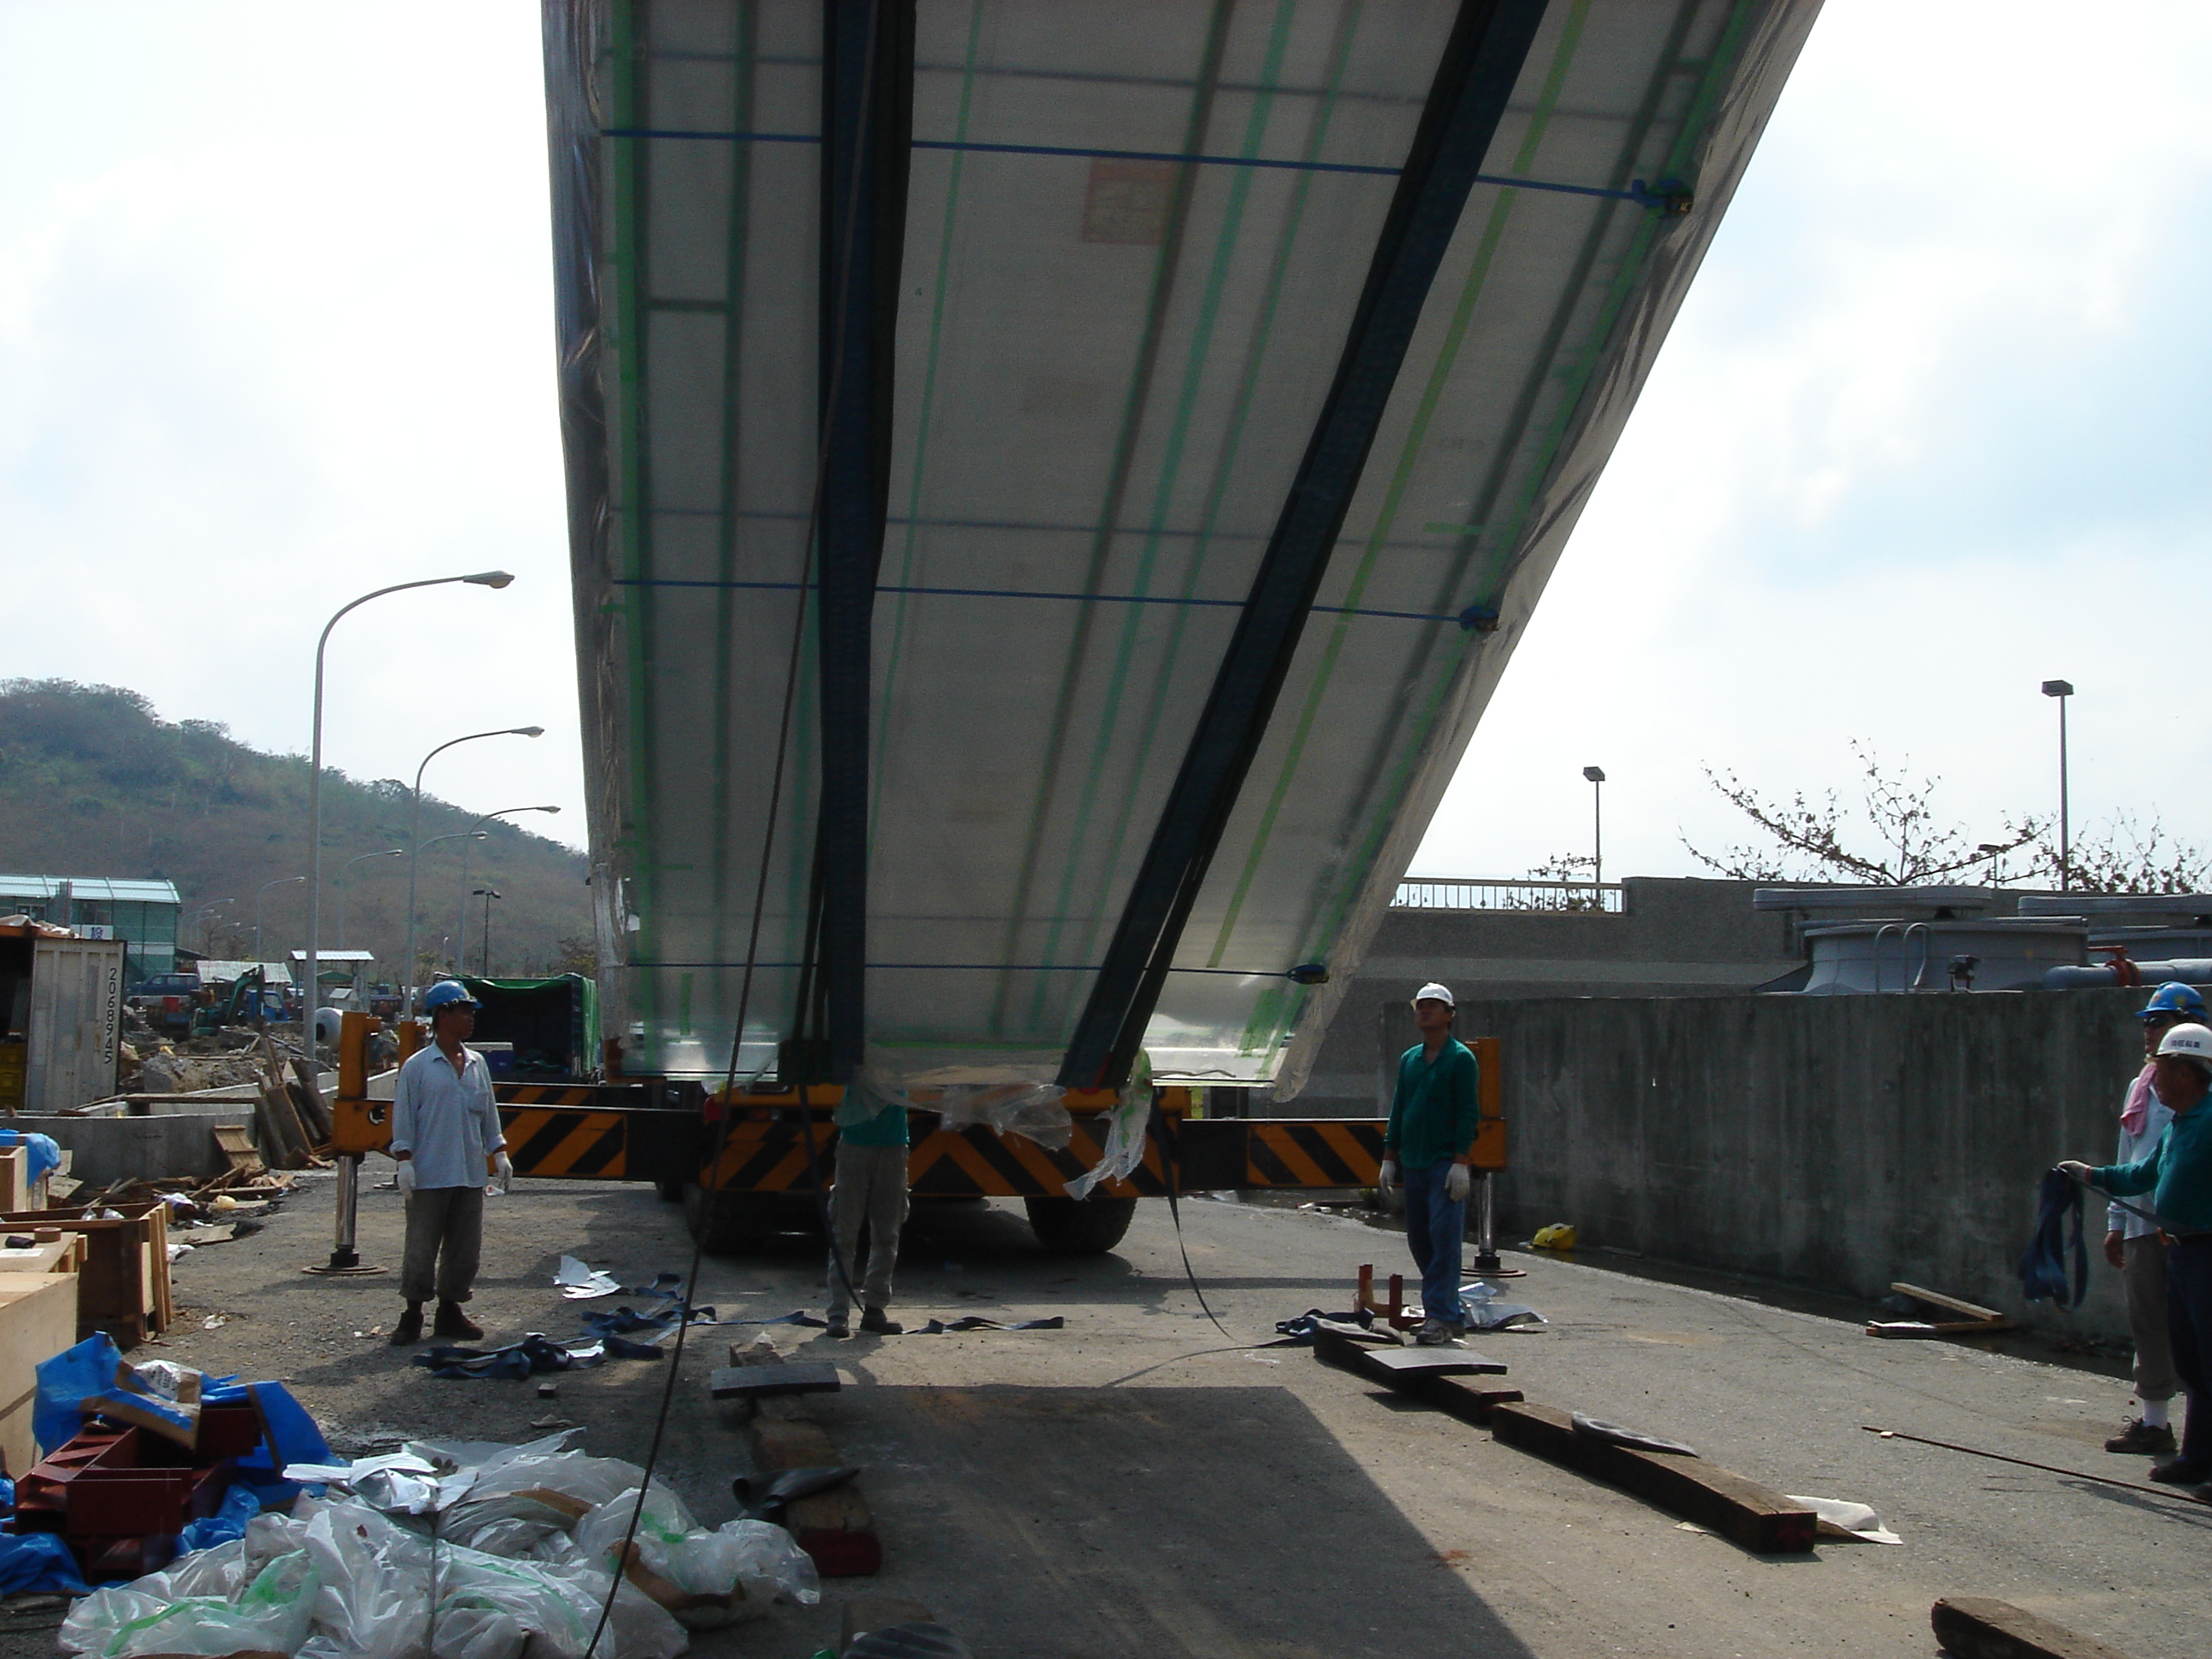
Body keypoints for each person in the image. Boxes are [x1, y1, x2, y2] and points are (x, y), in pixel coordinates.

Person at [2060, 1020, 2212, 1498]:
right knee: (2192, 1362)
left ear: (2186, 1072)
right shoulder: (2181, 1124)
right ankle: (2197, 1458)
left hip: (2208, 1253)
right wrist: (2091, 1175)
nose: (2153, 1077)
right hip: (2182, 1254)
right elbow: (2142, 1174)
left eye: (2159, 1068)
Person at [2101, 983, 2202, 1455]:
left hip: (2193, 1233)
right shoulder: (2143, 1087)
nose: (2149, 1032)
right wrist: (2116, 1222)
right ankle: (2155, 1422)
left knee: (2199, 1332)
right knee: (2149, 1323)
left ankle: (2200, 1439)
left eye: (2158, 1023)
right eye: (2147, 1023)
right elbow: (2133, 1159)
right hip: (2144, 1224)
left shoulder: (2200, 1095)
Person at [388, 980, 510, 1346]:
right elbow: (404, 1117)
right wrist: (404, 1160)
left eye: (471, 1013)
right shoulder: (418, 1067)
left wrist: (499, 1150)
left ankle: (450, 1311)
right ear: (442, 1016)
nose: (471, 1019)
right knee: (421, 1248)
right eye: (464, 1012)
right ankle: (412, 1312)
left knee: (464, 1250)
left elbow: (487, 1111)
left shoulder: (476, 1064)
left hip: (469, 1172)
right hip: (429, 1172)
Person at [1377, 982, 1481, 1346]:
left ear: (1449, 1015)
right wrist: (1389, 1156)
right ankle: (1448, 1313)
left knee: (1444, 1239)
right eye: (1420, 1006)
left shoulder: (1461, 1059)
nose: (1424, 1011)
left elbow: (1467, 1112)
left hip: (1443, 1162)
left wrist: (1461, 1162)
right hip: (1415, 1162)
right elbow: (1400, 1108)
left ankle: (1439, 1315)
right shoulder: (1410, 1059)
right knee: (1420, 1239)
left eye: (1433, 1006)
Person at [826, 1080, 911, 1338]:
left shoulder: (902, 1061)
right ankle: (838, 1314)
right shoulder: (858, 1060)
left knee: (887, 1234)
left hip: (893, 1145)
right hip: (856, 1144)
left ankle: (874, 1310)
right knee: (844, 1235)